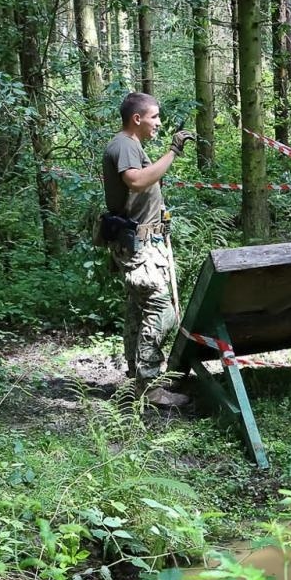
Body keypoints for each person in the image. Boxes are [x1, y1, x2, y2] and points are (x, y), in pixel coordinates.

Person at [101, 92, 194, 406]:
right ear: (136, 118)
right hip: (139, 245)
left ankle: (135, 378)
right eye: (154, 117)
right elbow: (137, 181)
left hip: (143, 242)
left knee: (138, 311)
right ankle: (149, 386)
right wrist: (172, 153)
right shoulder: (125, 144)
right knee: (160, 310)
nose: (158, 123)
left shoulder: (130, 144)